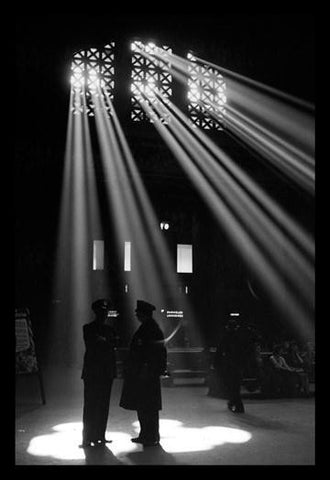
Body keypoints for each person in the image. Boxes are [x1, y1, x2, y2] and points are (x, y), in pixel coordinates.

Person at [119, 300, 167, 447]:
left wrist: (146, 369)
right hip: (145, 373)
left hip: (145, 374)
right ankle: (147, 434)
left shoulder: (149, 329)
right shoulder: (151, 328)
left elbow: (151, 353)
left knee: (147, 407)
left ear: (142, 314)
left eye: (138, 313)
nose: (136, 315)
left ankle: (150, 435)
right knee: (146, 406)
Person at [80, 299, 118, 448]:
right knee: (92, 405)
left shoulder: (96, 329)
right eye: (103, 312)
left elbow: (110, 344)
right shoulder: (89, 329)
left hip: (101, 372)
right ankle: (89, 437)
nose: (105, 315)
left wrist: (104, 341)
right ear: (97, 313)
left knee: (101, 405)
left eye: (106, 312)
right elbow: (105, 345)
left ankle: (99, 436)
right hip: (97, 372)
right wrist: (107, 342)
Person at [217, 314, 250, 413]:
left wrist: (216, 363)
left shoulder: (226, 337)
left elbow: (220, 351)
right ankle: (234, 403)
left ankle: (236, 405)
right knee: (236, 386)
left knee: (232, 386)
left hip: (230, 365)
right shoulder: (240, 337)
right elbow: (245, 351)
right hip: (238, 365)